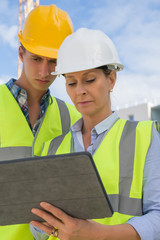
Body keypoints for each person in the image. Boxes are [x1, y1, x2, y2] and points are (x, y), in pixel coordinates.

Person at [30, 28, 160, 240]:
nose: (79, 90)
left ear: (111, 80)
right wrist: (46, 223)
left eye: (89, 80)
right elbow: (37, 231)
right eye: (71, 83)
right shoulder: (50, 148)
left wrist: (98, 234)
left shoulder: (144, 137)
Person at [0, 5, 80, 240]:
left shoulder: (73, 119)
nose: (45, 71)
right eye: (36, 59)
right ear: (21, 53)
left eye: (54, 61)